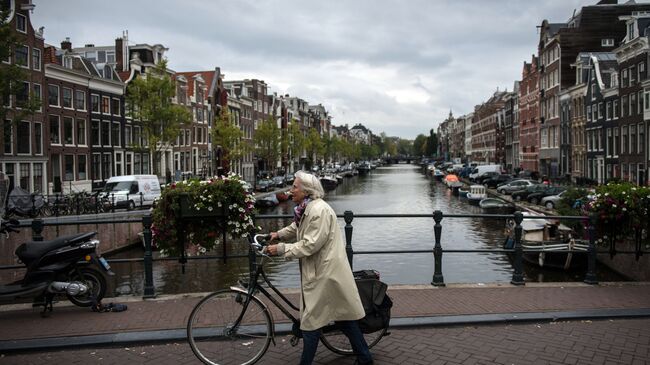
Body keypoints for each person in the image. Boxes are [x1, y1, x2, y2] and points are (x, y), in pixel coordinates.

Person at [266, 170, 373, 365]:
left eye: (295, 187)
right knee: (344, 319)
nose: (291, 190)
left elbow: (310, 244)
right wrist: (278, 235)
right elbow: (297, 227)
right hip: (322, 272)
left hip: (325, 273)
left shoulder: (319, 210)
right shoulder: (307, 208)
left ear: (306, 191)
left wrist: (281, 249)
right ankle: (365, 358)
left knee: (310, 324)